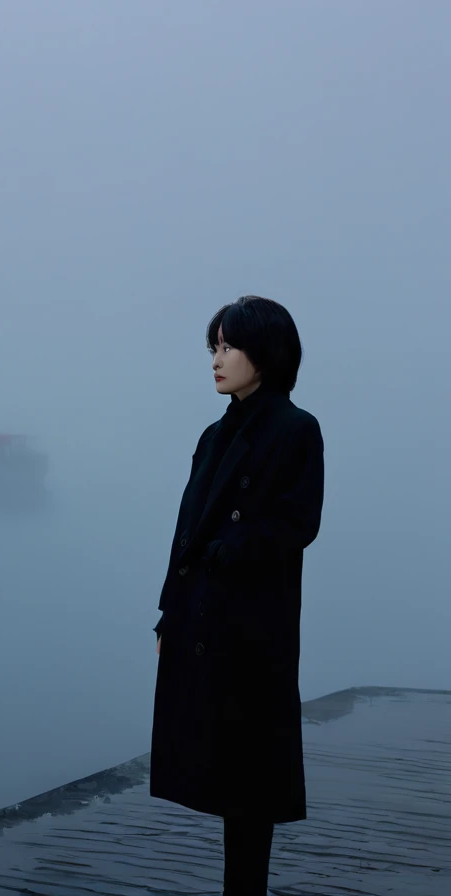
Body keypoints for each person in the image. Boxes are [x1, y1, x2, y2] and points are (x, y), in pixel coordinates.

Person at [150, 295, 325, 896]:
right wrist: (167, 614)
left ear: (267, 352)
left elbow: (298, 522)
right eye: (214, 347)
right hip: (201, 617)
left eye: (230, 346)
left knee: (250, 777)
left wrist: (235, 547)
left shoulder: (296, 429)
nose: (218, 360)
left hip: (253, 624)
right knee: (221, 769)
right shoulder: (212, 434)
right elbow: (186, 527)